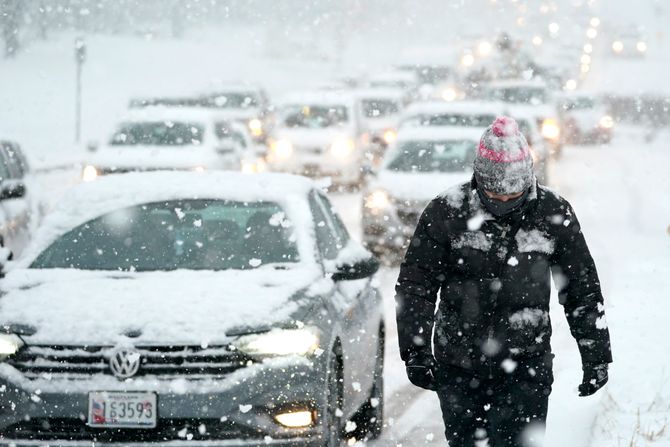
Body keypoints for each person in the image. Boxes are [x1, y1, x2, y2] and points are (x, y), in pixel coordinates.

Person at [395, 116, 612, 446]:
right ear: (479, 179)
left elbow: (581, 287)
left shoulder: (552, 213)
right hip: (459, 366)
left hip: (527, 366)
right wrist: (416, 351)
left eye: (514, 194)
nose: (504, 202)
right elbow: (416, 286)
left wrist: (595, 354)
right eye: (495, 194)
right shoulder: (446, 213)